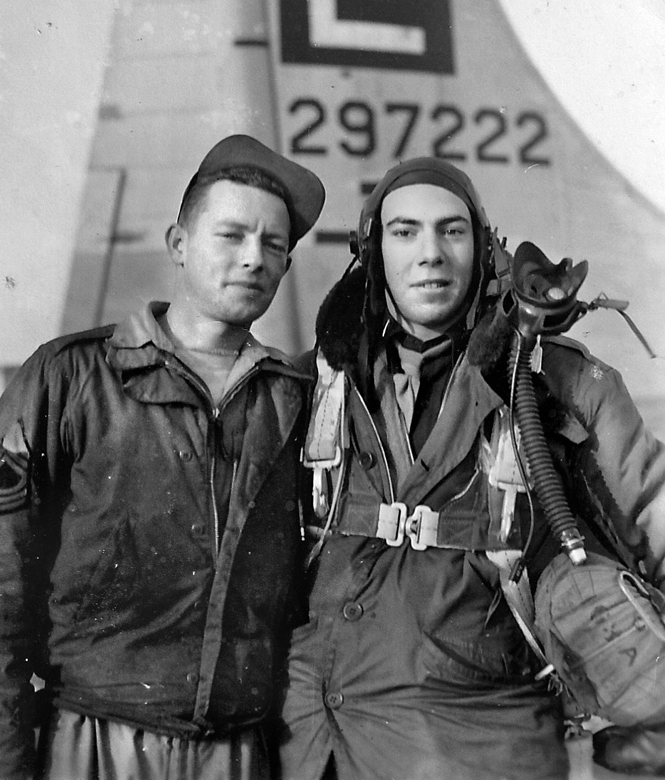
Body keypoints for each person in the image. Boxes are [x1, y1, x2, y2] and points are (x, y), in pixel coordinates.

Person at [276, 156, 665, 780]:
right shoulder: (311, 385)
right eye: (404, 232)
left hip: (474, 748)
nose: (430, 254)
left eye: (451, 231)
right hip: (310, 740)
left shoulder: (559, 385)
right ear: (371, 252)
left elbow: (658, 516)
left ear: (485, 249)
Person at [0, 134, 325, 780]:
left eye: (274, 246)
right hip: (91, 749)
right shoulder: (70, 380)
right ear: (178, 245)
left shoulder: (296, 403)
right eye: (231, 235)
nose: (253, 259)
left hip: (239, 755)